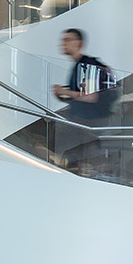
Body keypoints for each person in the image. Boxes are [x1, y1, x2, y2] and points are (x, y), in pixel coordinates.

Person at [50, 26, 119, 175]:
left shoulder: (87, 65)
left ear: (78, 43)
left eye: (67, 40)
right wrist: (63, 95)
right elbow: (83, 96)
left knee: (83, 160)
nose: (63, 44)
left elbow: (91, 96)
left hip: (89, 125)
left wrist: (65, 92)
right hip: (83, 126)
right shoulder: (78, 66)